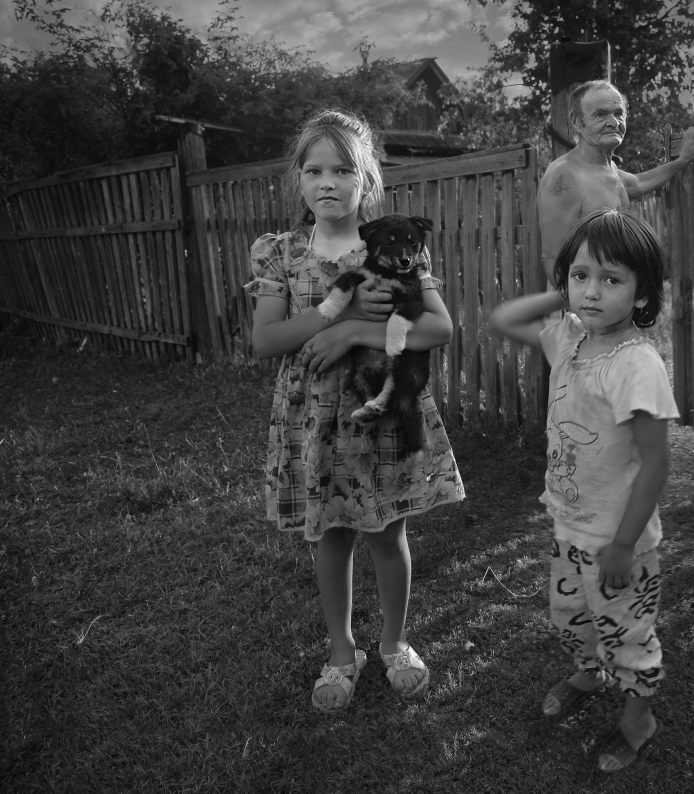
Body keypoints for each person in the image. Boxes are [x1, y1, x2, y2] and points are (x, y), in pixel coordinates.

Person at [243, 109, 465, 715]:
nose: (328, 182)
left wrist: (355, 332)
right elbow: (264, 340)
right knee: (332, 537)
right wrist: (335, 318)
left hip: (381, 413)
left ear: (366, 179)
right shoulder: (281, 253)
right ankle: (342, 651)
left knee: (388, 534)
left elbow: (440, 328)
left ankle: (394, 642)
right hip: (314, 418)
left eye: (343, 169)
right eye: (314, 170)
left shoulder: (395, 245)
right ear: (297, 179)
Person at [489, 209, 678, 773]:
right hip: (570, 527)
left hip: (620, 544)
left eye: (611, 279)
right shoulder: (568, 342)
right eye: (581, 276)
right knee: (571, 617)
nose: (592, 291)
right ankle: (587, 674)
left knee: (628, 636)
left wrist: (623, 544)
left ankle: (639, 720)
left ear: (641, 294)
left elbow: (656, 463)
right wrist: (564, 293)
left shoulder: (636, 365)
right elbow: (503, 317)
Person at [537, 80, 694, 284]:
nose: (614, 122)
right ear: (576, 122)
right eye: (600, 114)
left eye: (618, 113)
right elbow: (552, 257)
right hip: (583, 299)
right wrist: (577, 302)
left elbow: (639, 183)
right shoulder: (564, 175)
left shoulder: (607, 169)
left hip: (611, 294)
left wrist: (682, 161)